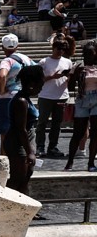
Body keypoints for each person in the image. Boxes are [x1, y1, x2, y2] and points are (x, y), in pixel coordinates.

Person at [5, 65, 43, 192]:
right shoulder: (21, 101)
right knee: (18, 178)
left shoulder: (26, 99)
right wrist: (30, 152)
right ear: (32, 83)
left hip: (24, 141)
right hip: (17, 143)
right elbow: (21, 129)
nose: (41, 87)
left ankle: (23, 207)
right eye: (40, 84)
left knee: (26, 176)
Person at [0, 34, 34, 153]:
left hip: (7, 99)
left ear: (3, 47)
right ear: (17, 46)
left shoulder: (7, 61)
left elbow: (2, 75)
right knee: (23, 130)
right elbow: (38, 72)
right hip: (23, 97)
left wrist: (2, 90)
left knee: (5, 134)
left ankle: (5, 163)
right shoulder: (27, 59)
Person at [36, 38, 72, 158]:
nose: (60, 51)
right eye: (58, 49)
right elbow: (38, 79)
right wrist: (53, 77)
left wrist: (69, 78)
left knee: (57, 123)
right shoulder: (44, 62)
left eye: (63, 49)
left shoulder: (67, 62)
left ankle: (53, 147)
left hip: (61, 96)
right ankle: (40, 146)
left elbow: (69, 81)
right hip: (45, 96)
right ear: (53, 48)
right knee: (42, 122)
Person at [65, 41, 97, 171]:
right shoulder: (78, 65)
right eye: (86, 53)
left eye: (91, 53)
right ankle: (70, 161)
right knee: (78, 132)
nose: (88, 56)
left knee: (95, 133)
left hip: (96, 99)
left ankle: (91, 163)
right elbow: (70, 87)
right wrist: (75, 74)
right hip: (82, 99)